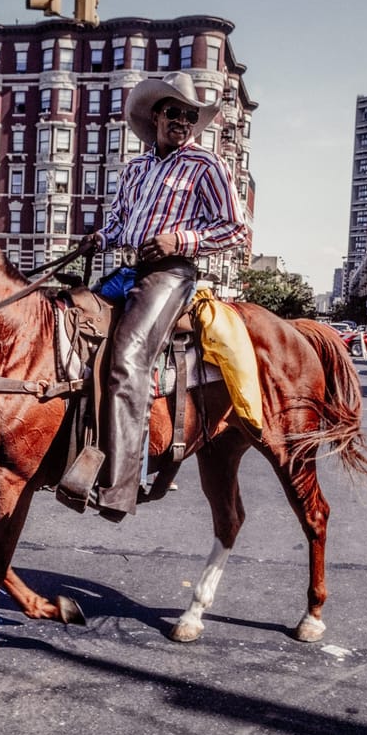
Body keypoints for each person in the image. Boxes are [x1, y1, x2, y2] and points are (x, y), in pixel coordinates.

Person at [77, 71, 250, 521]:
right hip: (128, 267)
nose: (182, 121)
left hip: (170, 274)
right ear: (156, 116)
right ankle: (79, 451)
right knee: (75, 333)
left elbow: (236, 229)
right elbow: (119, 225)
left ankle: (121, 485)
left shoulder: (207, 166)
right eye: (174, 112)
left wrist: (182, 242)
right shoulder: (134, 169)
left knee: (128, 359)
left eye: (190, 116)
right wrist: (99, 238)